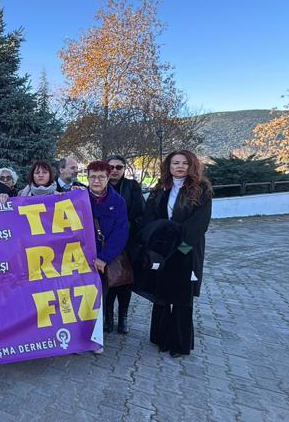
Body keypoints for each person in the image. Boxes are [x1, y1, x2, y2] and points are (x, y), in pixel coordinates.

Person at [143, 150, 212, 358]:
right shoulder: (160, 189)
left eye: (184, 163)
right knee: (162, 295)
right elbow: (151, 217)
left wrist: (181, 246)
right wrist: (158, 244)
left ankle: (179, 344)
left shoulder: (201, 190)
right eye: (175, 163)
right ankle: (160, 338)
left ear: (192, 166)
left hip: (186, 251)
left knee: (182, 298)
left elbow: (199, 223)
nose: (180, 166)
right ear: (169, 166)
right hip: (163, 251)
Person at [86, 161, 130, 337]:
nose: (96, 181)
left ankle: (95, 336)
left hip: (102, 259)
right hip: (81, 256)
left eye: (101, 177)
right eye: (93, 177)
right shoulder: (78, 197)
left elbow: (121, 232)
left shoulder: (118, 201)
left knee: (100, 298)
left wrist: (104, 257)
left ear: (107, 177)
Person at [105, 155, 146, 334]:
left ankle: (123, 318)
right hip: (105, 243)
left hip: (127, 242)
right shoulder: (99, 186)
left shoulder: (132, 187)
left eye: (119, 167)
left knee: (124, 281)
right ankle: (108, 319)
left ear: (124, 169)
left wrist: (125, 227)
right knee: (108, 281)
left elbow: (141, 213)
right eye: (111, 167)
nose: (114, 170)